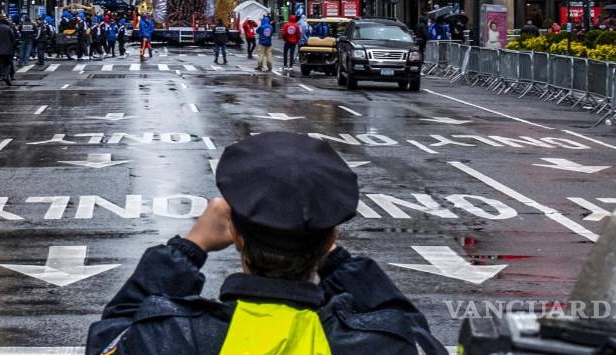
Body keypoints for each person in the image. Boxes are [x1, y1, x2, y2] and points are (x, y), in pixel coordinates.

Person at [87, 133, 446, 355]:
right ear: (330, 241)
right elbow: (414, 332)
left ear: (236, 237)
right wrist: (334, 257)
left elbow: (110, 335)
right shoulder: (383, 342)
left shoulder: (168, 335)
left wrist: (188, 247)